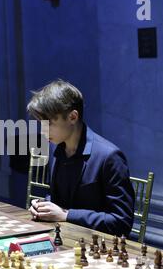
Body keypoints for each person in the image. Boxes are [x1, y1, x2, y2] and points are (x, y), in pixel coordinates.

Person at [27, 80, 134, 236]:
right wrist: (43, 206)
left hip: (97, 246)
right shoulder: (55, 146)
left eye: (49, 123)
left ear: (72, 117)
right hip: (64, 238)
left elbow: (121, 221)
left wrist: (67, 215)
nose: (43, 131)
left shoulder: (109, 156)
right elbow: (60, 197)